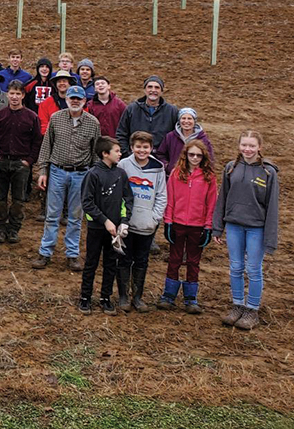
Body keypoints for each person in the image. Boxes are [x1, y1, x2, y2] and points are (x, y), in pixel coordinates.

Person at [214, 131, 279, 331]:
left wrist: (270, 238)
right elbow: (222, 199)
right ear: (239, 146)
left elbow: (272, 207)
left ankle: (252, 309)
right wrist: (218, 227)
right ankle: (237, 305)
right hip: (234, 225)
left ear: (259, 147)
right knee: (235, 267)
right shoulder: (230, 168)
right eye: (244, 145)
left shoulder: (268, 172)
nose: (247, 149)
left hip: (256, 229)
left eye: (252, 146)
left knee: (253, 269)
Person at [31, 86, 100, 270]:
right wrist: (43, 171)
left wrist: (94, 177)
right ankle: (45, 252)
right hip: (57, 171)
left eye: (79, 98)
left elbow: (95, 153)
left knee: (76, 217)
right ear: (67, 99)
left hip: (81, 173)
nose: (75, 101)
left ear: (85, 101)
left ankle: (72, 254)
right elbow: (46, 146)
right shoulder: (56, 118)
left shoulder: (93, 123)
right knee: (52, 214)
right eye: (72, 98)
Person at [159, 138, 217, 313]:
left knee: (193, 261)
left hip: (197, 225)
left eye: (198, 155)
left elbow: (211, 203)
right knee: (174, 259)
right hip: (177, 223)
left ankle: (190, 298)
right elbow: (170, 198)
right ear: (186, 155)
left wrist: (208, 226)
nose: (195, 158)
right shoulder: (177, 174)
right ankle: (168, 295)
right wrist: (167, 221)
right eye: (191, 154)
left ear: (203, 157)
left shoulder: (209, 177)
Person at [77, 137, 132, 315]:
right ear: (105, 154)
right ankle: (85, 297)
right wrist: (105, 220)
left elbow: (127, 199)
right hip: (97, 228)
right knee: (91, 262)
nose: (120, 153)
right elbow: (87, 203)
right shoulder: (93, 174)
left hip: (115, 230)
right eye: (116, 151)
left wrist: (124, 221)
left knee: (111, 263)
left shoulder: (121, 174)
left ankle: (105, 297)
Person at [116, 131, 167, 312]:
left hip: (146, 224)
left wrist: (154, 218)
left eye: (145, 147)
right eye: (138, 147)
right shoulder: (123, 164)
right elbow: (118, 191)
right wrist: (120, 218)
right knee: (123, 259)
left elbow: (161, 195)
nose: (142, 150)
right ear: (132, 148)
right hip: (126, 223)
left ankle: (137, 296)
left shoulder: (158, 167)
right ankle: (123, 296)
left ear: (151, 148)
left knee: (141, 260)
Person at [0, 81, 41, 245]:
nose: (14, 97)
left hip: (21, 164)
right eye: (12, 93)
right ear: (7, 94)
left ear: (23, 95)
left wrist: (29, 161)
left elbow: (37, 141)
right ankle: (0, 228)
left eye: (18, 94)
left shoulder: (31, 117)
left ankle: (13, 229)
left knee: (18, 199)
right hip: (2, 162)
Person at [115, 76, 179, 156]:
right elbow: (121, 133)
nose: (153, 90)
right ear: (144, 90)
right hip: (135, 156)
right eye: (150, 87)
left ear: (161, 91)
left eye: (157, 87)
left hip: (161, 159)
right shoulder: (132, 109)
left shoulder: (172, 111)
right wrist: (127, 154)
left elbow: (176, 136)